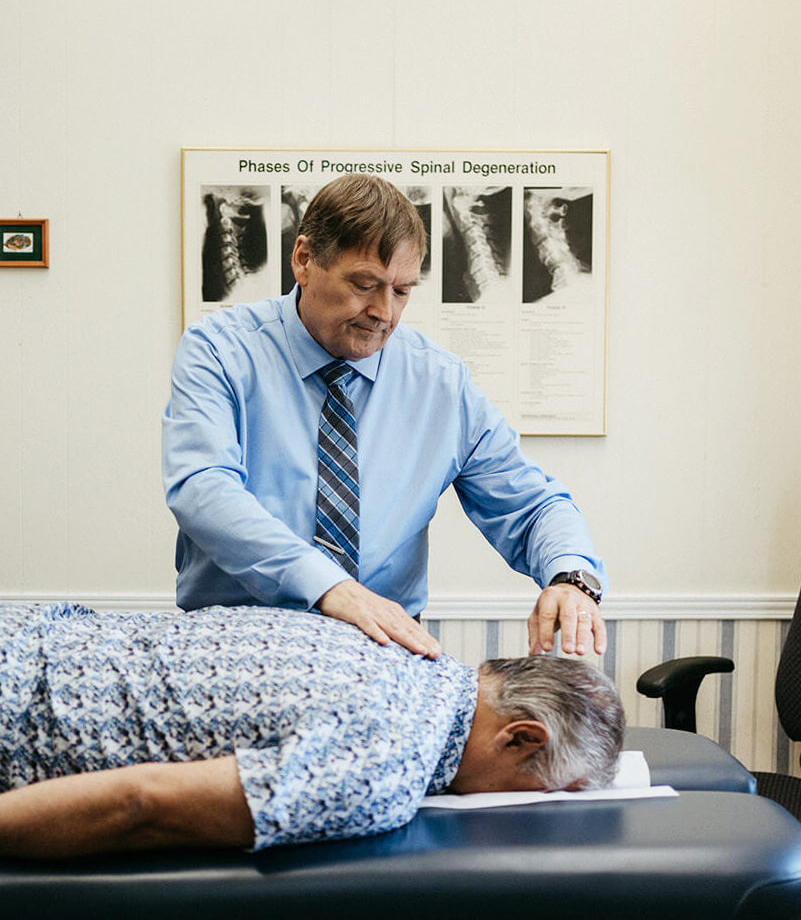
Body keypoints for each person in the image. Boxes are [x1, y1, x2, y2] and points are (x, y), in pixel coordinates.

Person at [163, 173, 608, 659]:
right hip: (238, 644)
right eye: (364, 285)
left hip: (382, 647)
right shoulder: (220, 351)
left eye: (401, 291)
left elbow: (531, 503)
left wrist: (570, 574)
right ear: (304, 260)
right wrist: (328, 586)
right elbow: (203, 489)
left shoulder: (439, 382)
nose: (383, 312)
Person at [0, 602, 624, 859]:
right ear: (520, 738)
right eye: (553, 791)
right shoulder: (388, 764)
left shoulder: (390, 640)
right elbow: (139, 803)